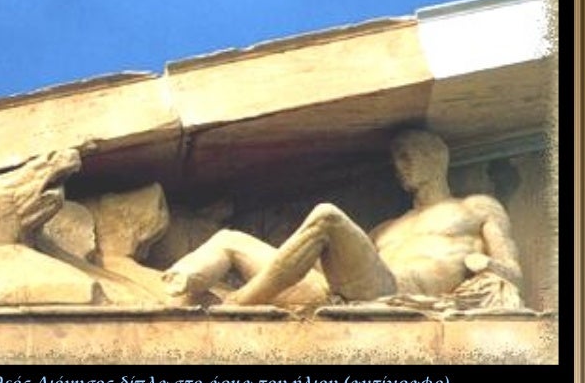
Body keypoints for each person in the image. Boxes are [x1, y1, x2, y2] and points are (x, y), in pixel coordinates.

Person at [161, 129, 523, 309]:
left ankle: (238, 305)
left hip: (396, 292)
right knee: (230, 239)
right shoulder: (385, 229)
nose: (400, 167)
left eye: (407, 156)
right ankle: (170, 292)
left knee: (328, 218)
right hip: (341, 293)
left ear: (436, 157)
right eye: (396, 160)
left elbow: (513, 270)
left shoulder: (476, 207)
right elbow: (339, 266)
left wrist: (488, 265)